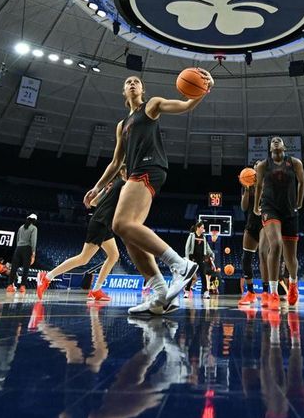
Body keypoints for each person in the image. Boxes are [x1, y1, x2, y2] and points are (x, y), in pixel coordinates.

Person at [85, 71, 214, 315]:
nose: (132, 83)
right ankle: (161, 295)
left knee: (120, 224)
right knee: (130, 234)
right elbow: (116, 162)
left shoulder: (151, 106)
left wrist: (204, 90)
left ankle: (181, 265)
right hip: (136, 171)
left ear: (142, 90)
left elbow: (186, 105)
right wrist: (97, 187)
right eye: (128, 82)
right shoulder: (122, 125)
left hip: (149, 167)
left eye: (137, 81)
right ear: (124, 91)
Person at [35, 169, 126, 302]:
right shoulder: (122, 184)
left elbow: (93, 203)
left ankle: (96, 290)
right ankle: (47, 277)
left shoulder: (111, 185)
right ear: (122, 172)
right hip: (100, 223)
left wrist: (105, 193)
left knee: (114, 255)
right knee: (83, 258)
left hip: (103, 223)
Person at [254, 136, 304, 309]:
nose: (275, 141)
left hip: (289, 210)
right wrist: (256, 207)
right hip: (270, 208)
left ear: (284, 147)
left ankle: (293, 283)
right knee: (275, 245)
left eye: (279, 140)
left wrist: (299, 203)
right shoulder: (263, 165)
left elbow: (302, 182)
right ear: (270, 148)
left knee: (291, 257)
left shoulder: (295, 163)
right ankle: (274, 293)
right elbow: (258, 187)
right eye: (273, 141)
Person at [238, 182, 262, 307]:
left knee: (265, 259)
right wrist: (247, 190)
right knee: (245, 259)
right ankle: (251, 292)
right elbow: (243, 207)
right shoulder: (247, 185)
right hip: (251, 225)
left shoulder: (268, 183)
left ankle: (268, 293)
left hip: (266, 225)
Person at [8, 213, 39, 293]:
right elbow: (33, 241)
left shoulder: (21, 227)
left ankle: (10, 286)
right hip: (27, 249)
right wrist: (33, 253)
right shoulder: (34, 228)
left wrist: (18, 247)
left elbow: (17, 239)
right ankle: (22, 286)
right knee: (26, 268)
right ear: (34, 221)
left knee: (14, 268)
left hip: (18, 248)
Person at [184, 222, 215, 299]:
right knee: (191, 275)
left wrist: (212, 254)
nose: (203, 229)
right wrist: (187, 258)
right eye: (202, 227)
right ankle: (187, 291)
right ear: (198, 228)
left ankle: (206, 292)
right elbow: (187, 247)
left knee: (203, 275)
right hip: (192, 258)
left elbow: (207, 248)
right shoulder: (192, 235)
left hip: (201, 258)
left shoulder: (204, 237)